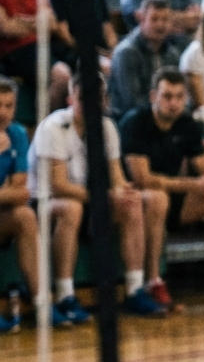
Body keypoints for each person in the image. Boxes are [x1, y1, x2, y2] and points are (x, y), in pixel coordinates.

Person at [28, 72, 169, 319]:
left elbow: (116, 179)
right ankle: (64, 295)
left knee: (131, 202)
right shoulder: (53, 128)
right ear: (71, 99)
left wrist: (124, 191)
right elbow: (59, 186)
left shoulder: (107, 127)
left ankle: (135, 289)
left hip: (87, 202)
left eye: (98, 98)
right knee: (71, 207)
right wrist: (105, 195)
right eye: (84, 98)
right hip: (46, 205)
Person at [120, 69, 204, 306]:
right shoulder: (136, 123)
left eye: (179, 97)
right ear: (153, 96)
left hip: (174, 197)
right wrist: (193, 183)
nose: (173, 103)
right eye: (167, 96)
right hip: (136, 202)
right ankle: (153, 281)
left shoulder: (187, 124)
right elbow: (143, 179)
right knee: (157, 197)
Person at [0, 77, 69, 330]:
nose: (3, 112)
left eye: (9, 105)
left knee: (26, 216)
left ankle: (42, 303)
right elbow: (14, 190)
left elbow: (21, 192)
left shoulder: (17, 134)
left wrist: (8, 192)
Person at [0, 0, 72, 116]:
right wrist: (38, 22)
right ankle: (46, 130)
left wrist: (21, 22)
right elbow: (7, 28)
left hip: (44, 46)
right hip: (15, 53)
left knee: (86, 68)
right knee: (62, 76)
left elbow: (53, 23)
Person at [109, 0, 184, 120]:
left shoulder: (173, 54)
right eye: (154, 19)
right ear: (142, 20)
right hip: (132, 122)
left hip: (165, 117)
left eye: (165, 19)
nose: (160, 25)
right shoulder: (126, 53)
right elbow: (131, 102)